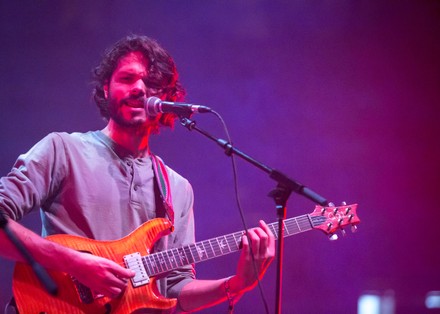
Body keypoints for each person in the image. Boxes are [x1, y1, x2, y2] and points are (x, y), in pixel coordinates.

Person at [0, 34, 275, 313]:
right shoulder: (63, 150)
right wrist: (76, 264)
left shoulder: (177, 188)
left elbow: (176, 289)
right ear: (106, 88)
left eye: (152, 83)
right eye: (127, 78)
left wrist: (239, 283)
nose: (140, 89)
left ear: (168, 98)